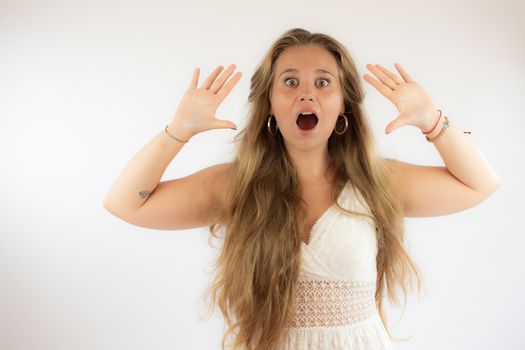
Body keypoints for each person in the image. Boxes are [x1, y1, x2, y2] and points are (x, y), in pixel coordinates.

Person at [103, 28, 501, 350]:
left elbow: (480, 185)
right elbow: (124, 204)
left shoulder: (379, 181)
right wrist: (179, 132)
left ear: (343, 105)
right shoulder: (234, 185)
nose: (306, 93)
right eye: (289, 82)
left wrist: (431, 120)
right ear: (271, 105)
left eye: (323, 82)